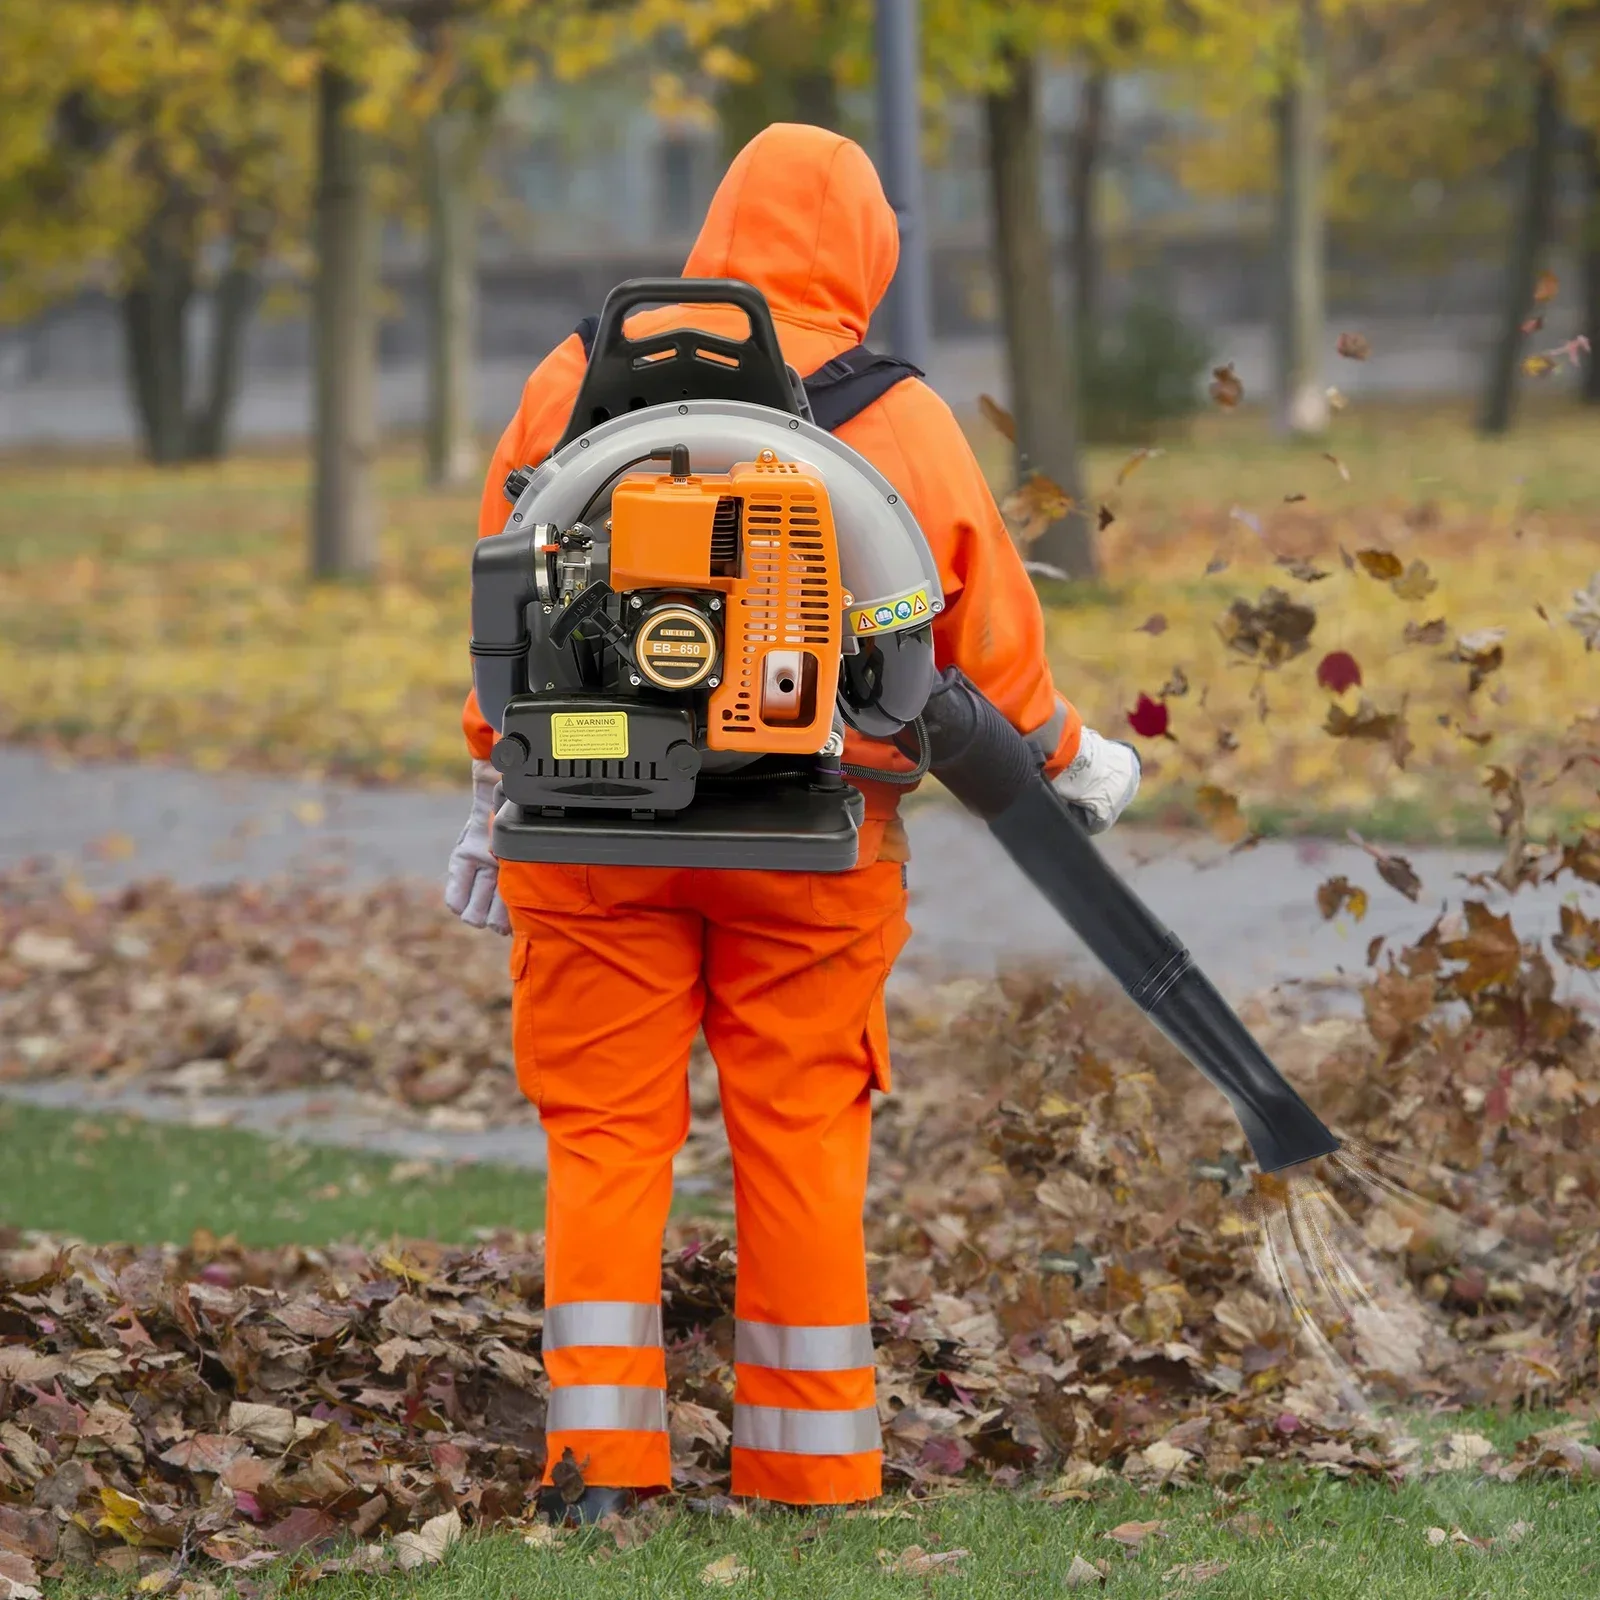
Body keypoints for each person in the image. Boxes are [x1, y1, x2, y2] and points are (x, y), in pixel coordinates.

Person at [445, 122, 1140, 1517]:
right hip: (810, 844)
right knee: (803, 1137)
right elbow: (977, 647)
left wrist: (487, 786)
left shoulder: (574, 379)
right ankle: (812, 1475)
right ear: (868, 250)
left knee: (602, 1139)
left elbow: (502, 611)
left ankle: (596, 1470)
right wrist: (1072, 759)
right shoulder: (897, 417)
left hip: (587, 831)